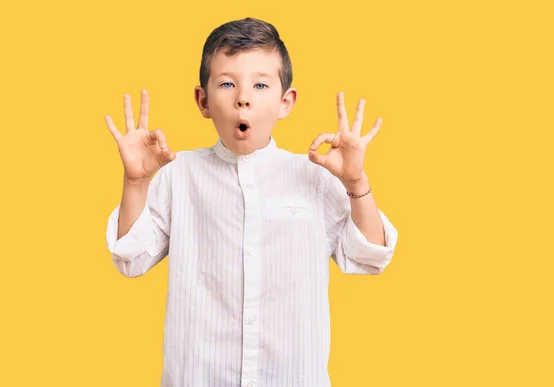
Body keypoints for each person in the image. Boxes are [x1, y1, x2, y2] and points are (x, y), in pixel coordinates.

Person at [105, 17, 398, 387]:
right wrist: (135, 182)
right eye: (227, 83)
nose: (243, 97)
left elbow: (369, 255)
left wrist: (356, 182)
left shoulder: (316, 176)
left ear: (285, 101)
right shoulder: (178, 175)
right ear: (203, 100)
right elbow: (130, 259)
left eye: (260, 84)